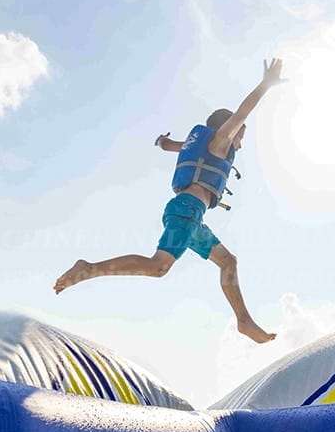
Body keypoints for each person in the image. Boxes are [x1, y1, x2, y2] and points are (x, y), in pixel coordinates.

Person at [54, 59, 287, 343]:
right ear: (228, 130)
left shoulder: (198, 145)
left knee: (228, 262)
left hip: (193, 216)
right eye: (241, 134)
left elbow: (170, 146)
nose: (240, 142)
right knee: (158, 267)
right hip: (186, 211)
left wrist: (161, 142)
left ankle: (244, 321)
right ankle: (89, 269)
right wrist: (266, 84)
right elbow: (242, 112)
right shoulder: (219, 143)